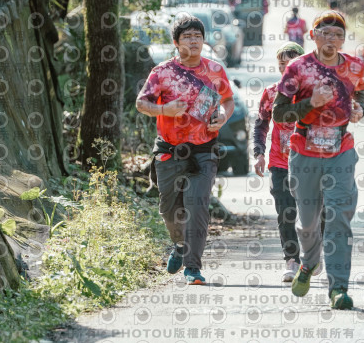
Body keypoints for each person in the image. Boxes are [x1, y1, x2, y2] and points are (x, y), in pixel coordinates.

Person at [272, 10, 364, 310]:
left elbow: (358, 95)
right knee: (307, 223)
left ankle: (338, 288)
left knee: (339, 216)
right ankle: (309, 262)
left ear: (343, 39)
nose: (331, 39)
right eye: (325, 33)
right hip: (304, 151)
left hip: (341, 150)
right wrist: (310, 103)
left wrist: (358, 110)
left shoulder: (354, 66)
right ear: (312, 35)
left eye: (338, 34)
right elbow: (279, 113)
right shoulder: (298, 68)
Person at [136, 15, 234, 285]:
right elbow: (141, 103)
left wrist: (223, 117)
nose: (193, 41)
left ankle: (193, 268)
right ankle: (179, 245)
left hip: (204, 150)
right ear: (176, 42)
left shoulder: (215, 70)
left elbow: (228, 101)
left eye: (198, 36)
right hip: (169, 150)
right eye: (187, 37)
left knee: (197, 205)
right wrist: (163, 109)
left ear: (204, 40)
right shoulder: (162, 72)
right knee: (170, 210)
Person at [253, 42, 325, 282]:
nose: (286, 68)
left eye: (291, 64)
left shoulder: (314, 94)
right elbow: (261, 124)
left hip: (310, 162)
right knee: (286, 212)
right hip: (280, 162)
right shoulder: (271, 93)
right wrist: (259, 153)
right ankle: (291, 261)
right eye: (281, 64)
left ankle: (313, 255)